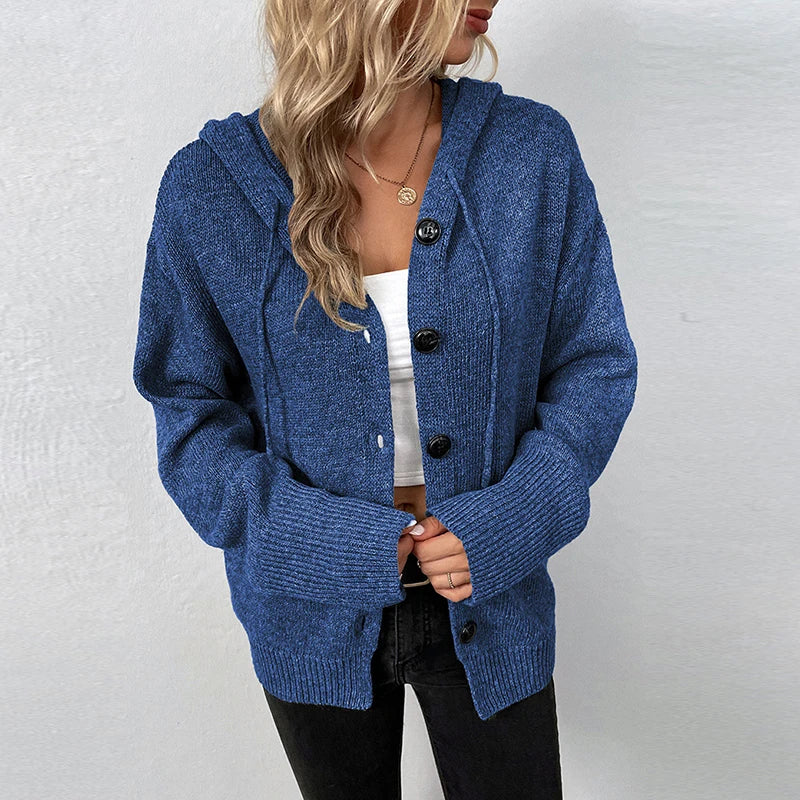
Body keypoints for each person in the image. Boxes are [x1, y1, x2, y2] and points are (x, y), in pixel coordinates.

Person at [132, 0, 638, 797]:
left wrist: (515, 516)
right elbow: (189, 415)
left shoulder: (529, 152)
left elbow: (594, 365)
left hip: (492, 589)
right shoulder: (212, 187)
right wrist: (321, 539)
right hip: (307, 605)